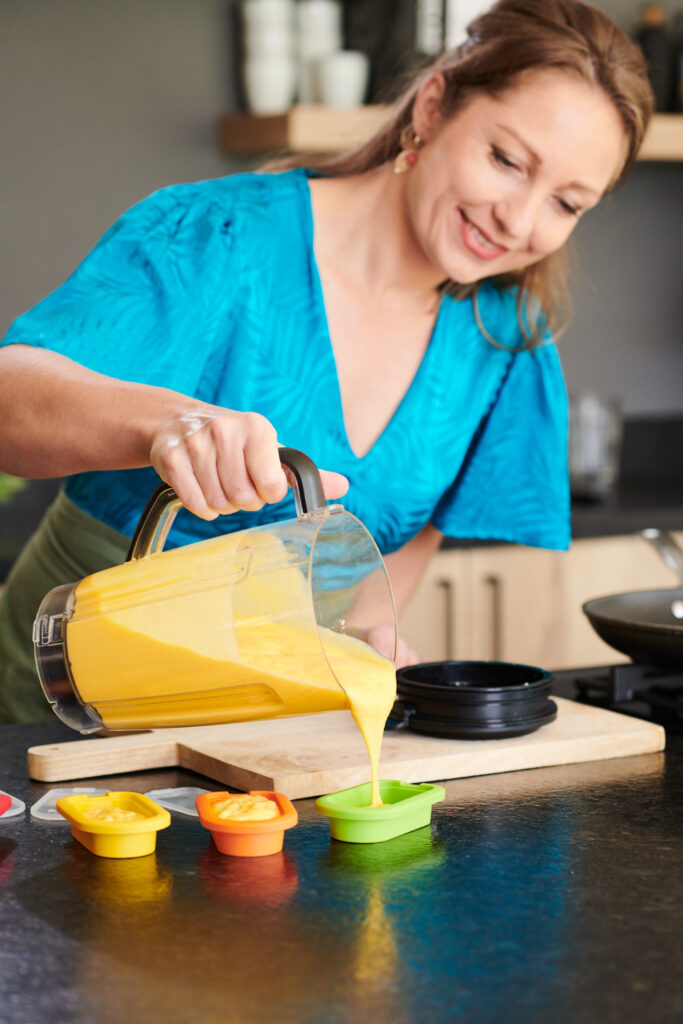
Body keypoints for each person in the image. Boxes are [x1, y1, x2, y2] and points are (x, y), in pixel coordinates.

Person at [0, 0, 653, 723]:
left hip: (263, 723)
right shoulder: (217, 235)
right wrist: (168, 423)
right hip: (58, 702)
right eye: (504, 160)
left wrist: (363, 641)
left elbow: (382, 559)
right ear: (432, 109)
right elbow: (9, 403)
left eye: (565, 202)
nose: (520, 221)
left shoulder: (504, 339)